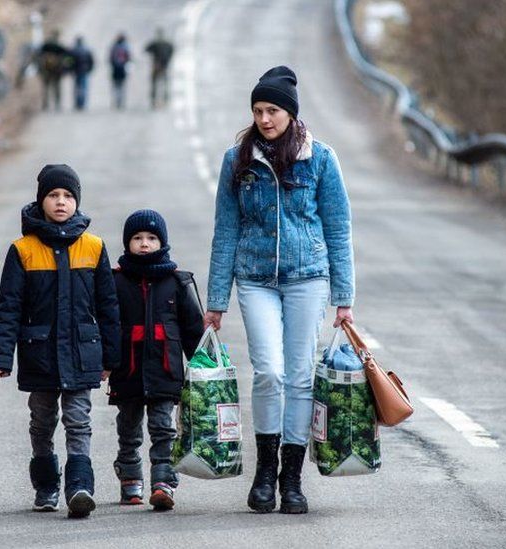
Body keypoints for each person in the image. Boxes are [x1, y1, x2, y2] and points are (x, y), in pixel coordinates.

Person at [205, 66, 355, 515]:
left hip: (308, 277)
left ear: (290, 113)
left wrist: (343, 297)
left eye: (272, 110)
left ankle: (292, 480)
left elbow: (338, 227)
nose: (265, 118)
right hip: (255, 279)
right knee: (268, 372)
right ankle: (264, 473)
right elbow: (225, 231)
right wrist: (216, 301)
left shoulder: (321, 159)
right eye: (257, 110)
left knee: (300, 376)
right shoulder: (238, 160)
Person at [0, 164, 121, 518]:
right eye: (53, 195)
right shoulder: (23, 250)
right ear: (41, 200)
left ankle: (80, 487)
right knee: (42, 422)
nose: (61, 202)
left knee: (79, 420)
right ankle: (46, 486)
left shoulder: (94, 248)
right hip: (40, 355)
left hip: (81, 354)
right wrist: (1, 358)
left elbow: (108, 308)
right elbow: (8, 308)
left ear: (77, 201)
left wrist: (111, 356)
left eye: (68, 196)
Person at [108, 210, 205, 511]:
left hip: (166, 372)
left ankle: (164, 482)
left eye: (151, 238)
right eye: (137, 238)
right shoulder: (116, 281)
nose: (145, 244)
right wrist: (105, 362)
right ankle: (130, 478)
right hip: (128, 371)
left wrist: (204, 364)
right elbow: (107, 325)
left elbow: (192, 330)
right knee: (128, 428)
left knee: (164, 428)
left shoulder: (176, 281)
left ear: (162, 242)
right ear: (127, 244)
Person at [36, 30, 72, 111]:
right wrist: (67, 68)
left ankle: (45, 105)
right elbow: (68, 57)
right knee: (57, 87)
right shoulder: (59, 46)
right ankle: (57, 104)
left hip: (45, 71)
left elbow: (38, 56)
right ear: (57, 36)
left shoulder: (45, 45)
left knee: (45, 88)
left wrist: (39, 69)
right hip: (57, 71)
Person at [144, 28, 174, 109]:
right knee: (164, 84)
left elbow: (146, 49)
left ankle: (154, 100)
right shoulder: (168, 44)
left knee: (154, 84)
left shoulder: (155, 44)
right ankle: (165, 99)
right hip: (164, 67)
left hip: (156, 66)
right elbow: (172, 50)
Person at [70, 36, 95, 111]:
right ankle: (82, 103)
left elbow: (69, 61)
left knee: (77, 88)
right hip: (84, 71)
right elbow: (91, 61)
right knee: (83, 88)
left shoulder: (73, 50)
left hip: (76, 72)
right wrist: (90, 69)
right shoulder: (86, 50)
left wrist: (70, 70)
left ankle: (77, 103)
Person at [108, 34, 132, 110]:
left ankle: (116, 101)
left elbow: (110, 59)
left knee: (115, 87)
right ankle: (121, 102)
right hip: (122, 69)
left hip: (115, 69)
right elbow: (129, 58)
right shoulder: (126, 47)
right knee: (122, 87)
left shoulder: (114, 47)